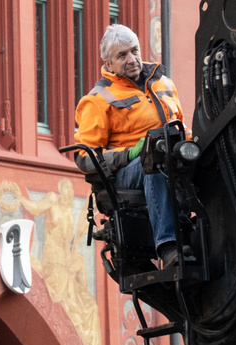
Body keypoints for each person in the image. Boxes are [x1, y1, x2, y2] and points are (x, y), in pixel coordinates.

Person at [73, 24, 185, 267]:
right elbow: (84, 157)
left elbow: (181, 127)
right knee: (153, 162)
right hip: (127, 172)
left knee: (225, 157)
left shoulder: (163, 84)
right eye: (122, 56)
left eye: (134, 51)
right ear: (108, 64)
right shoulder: (97, 100)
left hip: (170, 157)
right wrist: (130, 153)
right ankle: (167, 246)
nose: (132, 60)